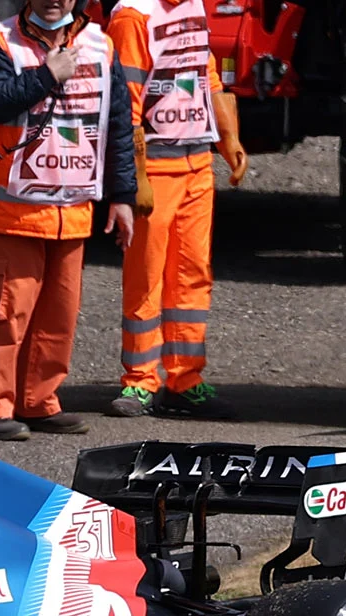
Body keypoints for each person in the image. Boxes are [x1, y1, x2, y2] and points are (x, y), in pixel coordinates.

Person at [0, 0, 137, 440]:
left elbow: (118, 123)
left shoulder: (102, 45)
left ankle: (38, 401)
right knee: (6, 316)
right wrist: (45, 77)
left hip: (73, 211)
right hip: (15, 211)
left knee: (58, 318)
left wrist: (122, 196)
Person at [104, 0, 247, 420]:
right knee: (146, 274)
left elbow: (207, 76)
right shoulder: (134, 16)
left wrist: (229, 137)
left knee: (192, 275)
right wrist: (134, 175)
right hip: (158, 166)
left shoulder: (194, 7)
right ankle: (140, 382)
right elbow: (122, 103)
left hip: (196, 163)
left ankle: (186, 380)